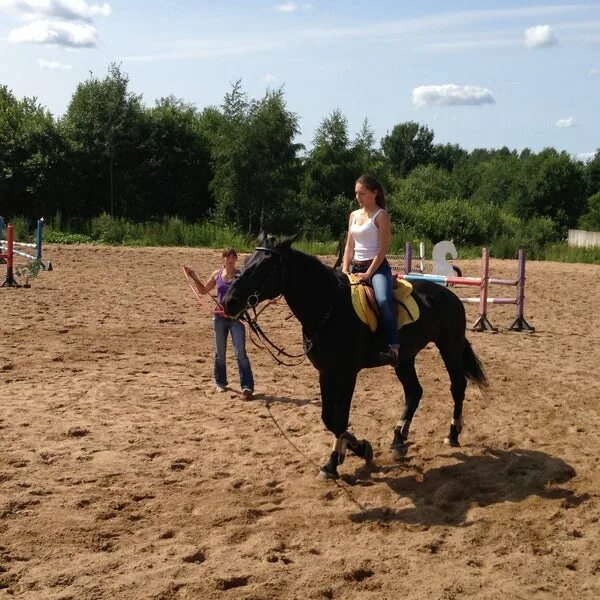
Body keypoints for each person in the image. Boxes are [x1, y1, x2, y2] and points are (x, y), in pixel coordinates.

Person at [342, 174, 400, 365]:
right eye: (356, 193)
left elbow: (383, 249)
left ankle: (393, 346)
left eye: (363, 193)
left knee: (383, 300)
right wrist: (344, 269)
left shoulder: (380, 215)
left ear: (374, 193)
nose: (358, 197)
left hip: (376, 268)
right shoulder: (353, 215)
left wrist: (369, 273)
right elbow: (349, 246)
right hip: (354, 266)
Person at [183, 248, 255, 399]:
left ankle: (247, 386)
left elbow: (251, 294)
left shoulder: (241, 276)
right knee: (219, 353)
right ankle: (220, 382)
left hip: (236, 318)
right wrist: (194, 276)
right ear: (223, 258)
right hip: (219, 318)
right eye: (228, 256)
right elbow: (203, 290)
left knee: (240, 353)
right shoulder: (217, 274)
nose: (231, 258)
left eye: (233, 256)